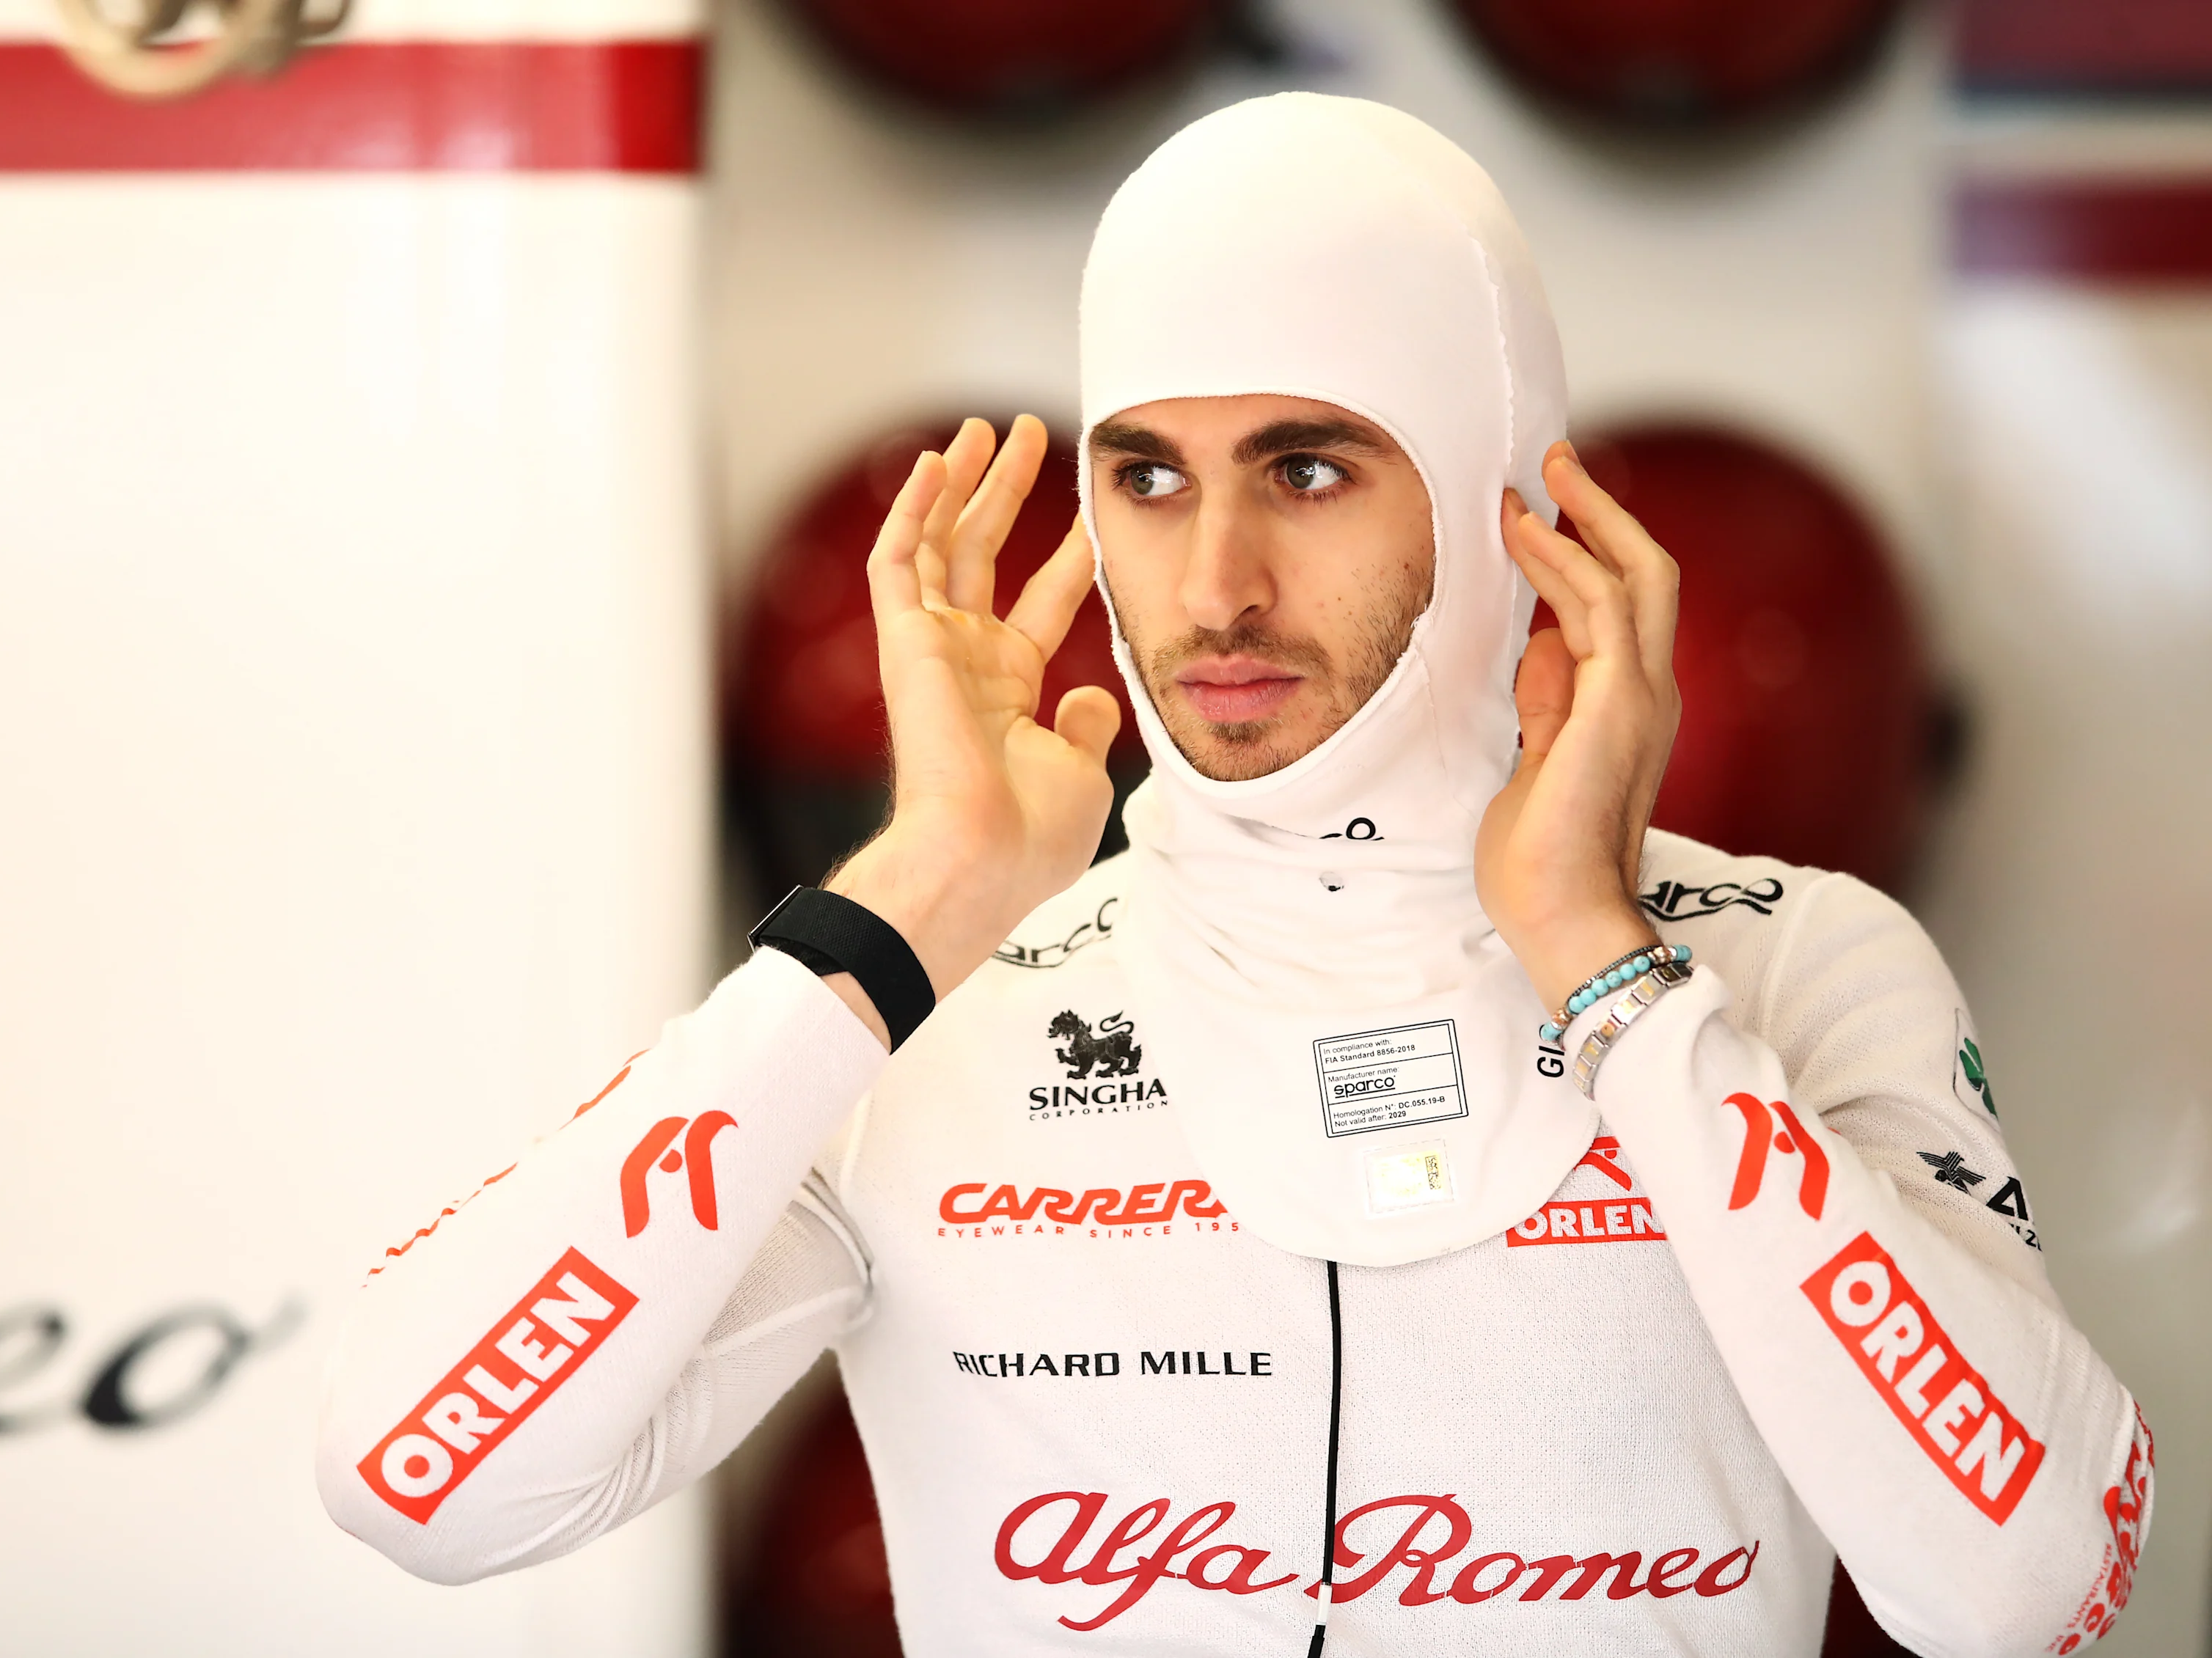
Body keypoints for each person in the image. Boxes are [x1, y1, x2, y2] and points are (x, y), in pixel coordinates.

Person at [314, 94, 2150, 1655]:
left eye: (1308, 465)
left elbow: (2035, 1584)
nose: (1212, 590)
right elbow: (420, 1475)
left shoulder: (1794, 964)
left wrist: (1605, 963)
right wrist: (906, 903)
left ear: (1506, 483)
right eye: (1151, 477)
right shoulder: (928, 1013)